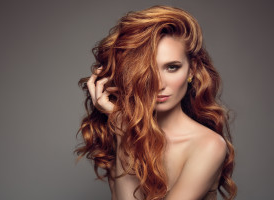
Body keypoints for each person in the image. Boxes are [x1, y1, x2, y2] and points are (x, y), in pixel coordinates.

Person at [75, 5, 237, 200]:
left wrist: (124, 133)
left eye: (172, 67)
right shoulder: (123, 132)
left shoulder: (209, 145)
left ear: (192, 70)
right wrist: (122, 129)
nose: (159, 84)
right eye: (148, 70)